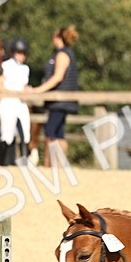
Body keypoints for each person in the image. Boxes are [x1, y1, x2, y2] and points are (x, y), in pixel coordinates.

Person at [32, 25, 79, 166]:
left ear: (58, 38)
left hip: (60, 100)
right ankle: (60, 164)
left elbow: (58, 77)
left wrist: (38, 90)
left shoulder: (62, 54)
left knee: (50, 130)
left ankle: (50, 163)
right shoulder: (65, 53)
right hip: (62, 100)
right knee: (58, 132)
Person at [0, 38, 32, 166]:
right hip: (7, 102)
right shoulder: (5, 66)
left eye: (24, 53)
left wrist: (27, 91)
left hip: (21, 103)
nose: (22, 56)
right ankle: (3, 162)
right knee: (7, 134)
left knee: (25, 133)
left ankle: (24, 162)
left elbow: (24, 86)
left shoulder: (25, 69)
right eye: (19, 53)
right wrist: (15, 93)